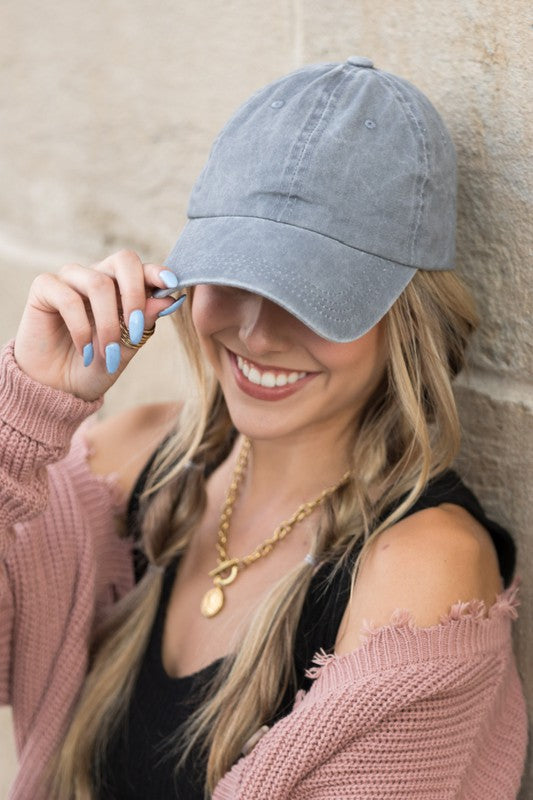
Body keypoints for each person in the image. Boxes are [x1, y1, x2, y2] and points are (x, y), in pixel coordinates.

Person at [0, 57, 527, 800]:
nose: (254, 330)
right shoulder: (134, 457)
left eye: (310, 293)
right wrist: (25, 409)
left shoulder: (421, 571)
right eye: (235, 274)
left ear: (404, 317)